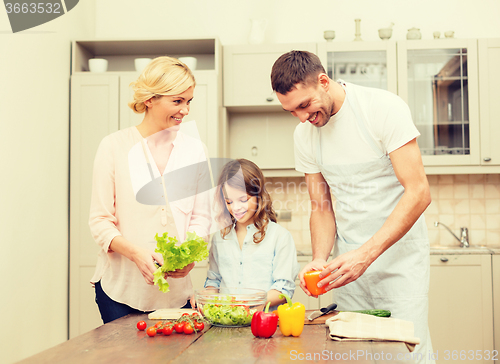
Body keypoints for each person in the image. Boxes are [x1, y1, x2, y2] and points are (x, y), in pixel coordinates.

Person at [270, 50, 434, 363]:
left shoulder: (382, 109)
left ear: (323, 81)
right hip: (347, 271)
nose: (302, 117)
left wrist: (365, 255)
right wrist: (319, 259)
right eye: (291, 111)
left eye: (304, 105)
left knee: (404, 355)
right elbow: (321, 207)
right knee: (355, 355)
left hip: (399, 267)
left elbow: (418, 192)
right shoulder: (305, 134)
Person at [89, 56, 212, 323]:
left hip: (176, 295)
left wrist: (190, 256)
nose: (185, 110)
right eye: (177, 101)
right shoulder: (114, 146)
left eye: (189, 101)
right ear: (150, 100)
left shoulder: (195, 150)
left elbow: (201, 218)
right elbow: (99, 221)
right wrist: (136, 254)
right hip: (120, 292)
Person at [204, 159, 299, 310]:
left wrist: (254, 304)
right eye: (229, 202)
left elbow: (283, 287)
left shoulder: (280, 237)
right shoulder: (219, 238)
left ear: (258, 194)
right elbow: (214, 281)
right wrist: (205, 298)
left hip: (265, 322)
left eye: (243, 200)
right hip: (227, 323)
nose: (235, 208)